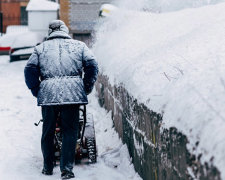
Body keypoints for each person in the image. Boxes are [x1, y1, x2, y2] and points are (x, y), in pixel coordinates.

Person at [24, 20, 98, 179]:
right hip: (72, 94)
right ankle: (66, 170)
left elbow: (29, 70)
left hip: (48, 95)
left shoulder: (40, 48)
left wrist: (37, 90)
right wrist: (86, 87)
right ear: (65, 30)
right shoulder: (79, 46)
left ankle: (48, 168)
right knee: (70, 131)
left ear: (49, 32)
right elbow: (92, 65)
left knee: (48, 131)